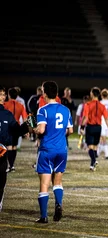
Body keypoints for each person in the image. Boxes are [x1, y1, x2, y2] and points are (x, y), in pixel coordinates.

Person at [34, 81, 73, 223]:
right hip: (61, 149)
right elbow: (70, 131)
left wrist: (34, 129)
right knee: (58, 180)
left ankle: (44, 216)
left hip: (47, 149)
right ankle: (58, 203)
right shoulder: (66, 110)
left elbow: (42, 130)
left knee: (44, 184)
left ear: (44, 93)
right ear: (56, 93)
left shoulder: (42, 110)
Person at [0, 86, 30, 212]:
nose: (2, 97)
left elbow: (17, 130)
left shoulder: (7, 114)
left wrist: (27, 124)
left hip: (1, 153)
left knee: (1, 181)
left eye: (3, 94)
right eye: (0, 94)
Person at [80, 87, 108, 171]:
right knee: (94, 147)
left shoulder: (88, 104)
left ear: (92, 94)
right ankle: (92, 165)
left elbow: (85, 117)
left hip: (90, 127)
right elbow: (106, 118)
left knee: (89, 147)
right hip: (98, 128)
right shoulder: (102, 106)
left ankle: (94, 160)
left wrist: (82, 126)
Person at [4, 87, 28, 172]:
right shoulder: (20, 105)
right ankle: (12, 165)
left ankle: (8, 166)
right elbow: (25, 119)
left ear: (9, 95)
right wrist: (25, 130)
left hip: (8, 126)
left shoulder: (5, 104)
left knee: (9, 147)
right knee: (14, 147)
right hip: (17, 126)